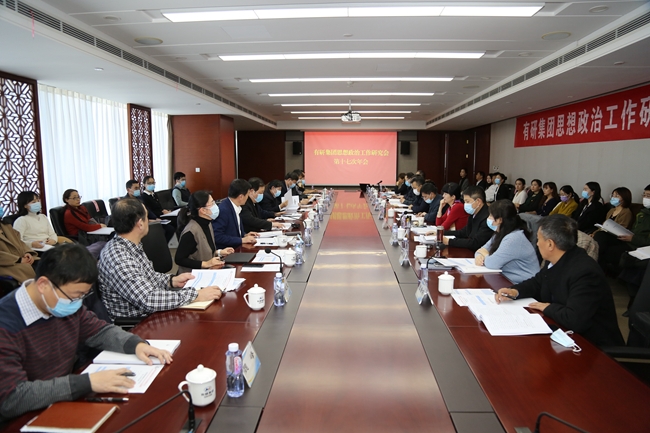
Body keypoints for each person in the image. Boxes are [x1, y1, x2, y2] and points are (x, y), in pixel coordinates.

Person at [0, 243, 173, 420]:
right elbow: (11, 398)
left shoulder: (62, 303)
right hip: (27, 416)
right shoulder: (6, 325)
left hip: (64, 399)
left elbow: (99, 331)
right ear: (43, 285)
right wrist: (87, 382)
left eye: (83, 296)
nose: (77, 303)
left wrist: (136, 345)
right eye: (75, 296)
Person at [496, 215, 624, 347]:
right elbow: (538, 282)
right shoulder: (557, 259)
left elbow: (575, 319)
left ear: (550, 244)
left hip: (593, 346)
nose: (537, 243)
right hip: (564, 333)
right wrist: (515, 291)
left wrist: (548, 307)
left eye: (539, 239)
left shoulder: (586, 272)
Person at [98, 199, 223, 320]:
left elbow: (149, 277)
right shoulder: (119, 257)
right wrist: (196, 295)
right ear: (140, 223)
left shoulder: (130, 245)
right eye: (147, 217)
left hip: (152, 312)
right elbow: (148, 299)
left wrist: (172, 281)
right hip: (139, 323)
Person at [474, 200, 537, 284]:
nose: (488, 218)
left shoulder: (514, 238)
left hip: (521, 285)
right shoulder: (500, 233)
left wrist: (485, 254)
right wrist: (479, 256)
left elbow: (492, 263)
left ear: (500, 220)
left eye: (491, 215)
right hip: (504, 279)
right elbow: (480, 250)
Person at [175, 191, 234, 274]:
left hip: (208, 272)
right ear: (203, 210)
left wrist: (219, 252)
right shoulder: (191, 231)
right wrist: (206, 264)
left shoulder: (208, 223)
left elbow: (201, 252)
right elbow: (179, 259)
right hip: (192, 275)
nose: (216, 206)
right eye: (212, 203)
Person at [593, 187, 635, 274]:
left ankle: (594, 264)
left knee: (601, 236)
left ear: (624, 198)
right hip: (606, 235)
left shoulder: (626, 212)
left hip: (617, 237)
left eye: (617, 196)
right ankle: (597, 268)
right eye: (613, 195)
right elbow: (604, 225)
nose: (613, 197)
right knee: (599, 236)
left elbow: (622, 228)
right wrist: (594, 233)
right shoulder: (611, 210)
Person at [442, 186, 492, 252]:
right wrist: (441, 232)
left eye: (467, 201)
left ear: (478, 201)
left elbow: (476, 243)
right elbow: (464, 232)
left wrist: (449, 241)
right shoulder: (473, 213)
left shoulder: (488, 218)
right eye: (464, 202)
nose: (465, 204)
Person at [212, 179, 258, 250]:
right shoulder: (224, 210)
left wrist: (244, 235)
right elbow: (217, 237)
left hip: (237, 248)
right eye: (247, 195)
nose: (248, 198)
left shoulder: (235, 206)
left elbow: (233, 231)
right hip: (228, 251)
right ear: (241, 197)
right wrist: (241, 240)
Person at [0, 218, 36, 283]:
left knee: (45, 263)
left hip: (21, 257)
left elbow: (20, 242)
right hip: (5, 264)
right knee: (29, 269)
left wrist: (27, 253)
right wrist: (18, 260)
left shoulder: (6, 225)